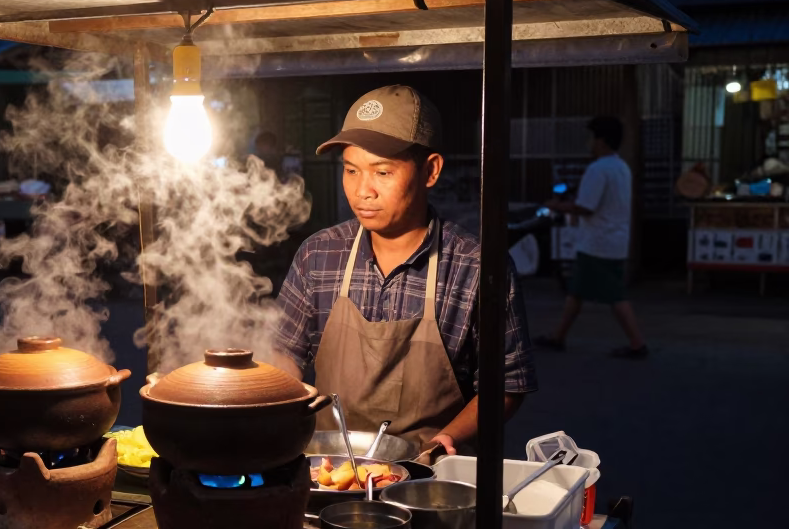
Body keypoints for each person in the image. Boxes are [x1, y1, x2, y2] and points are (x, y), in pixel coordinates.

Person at [272, 85, 537, 455]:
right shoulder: (319, 254)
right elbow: (283, 351)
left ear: (430, 171)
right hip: (327, 467)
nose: (363, 191)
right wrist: (279, 398)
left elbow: (507, 385)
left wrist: (449, 438)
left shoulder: (477, 267)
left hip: (430, 477)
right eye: (351, 170)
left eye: (382, 172)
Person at [536, 116, 647, 359]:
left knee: (614, 295)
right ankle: (558, 336)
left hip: (598, 243)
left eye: (591, 137)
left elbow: (586, 206)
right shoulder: (622, 167)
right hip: (613, 239)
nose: (589, 143)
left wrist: (556, 205)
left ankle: (638, 343)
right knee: (577, 292)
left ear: (601, 140)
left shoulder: (598, 169)